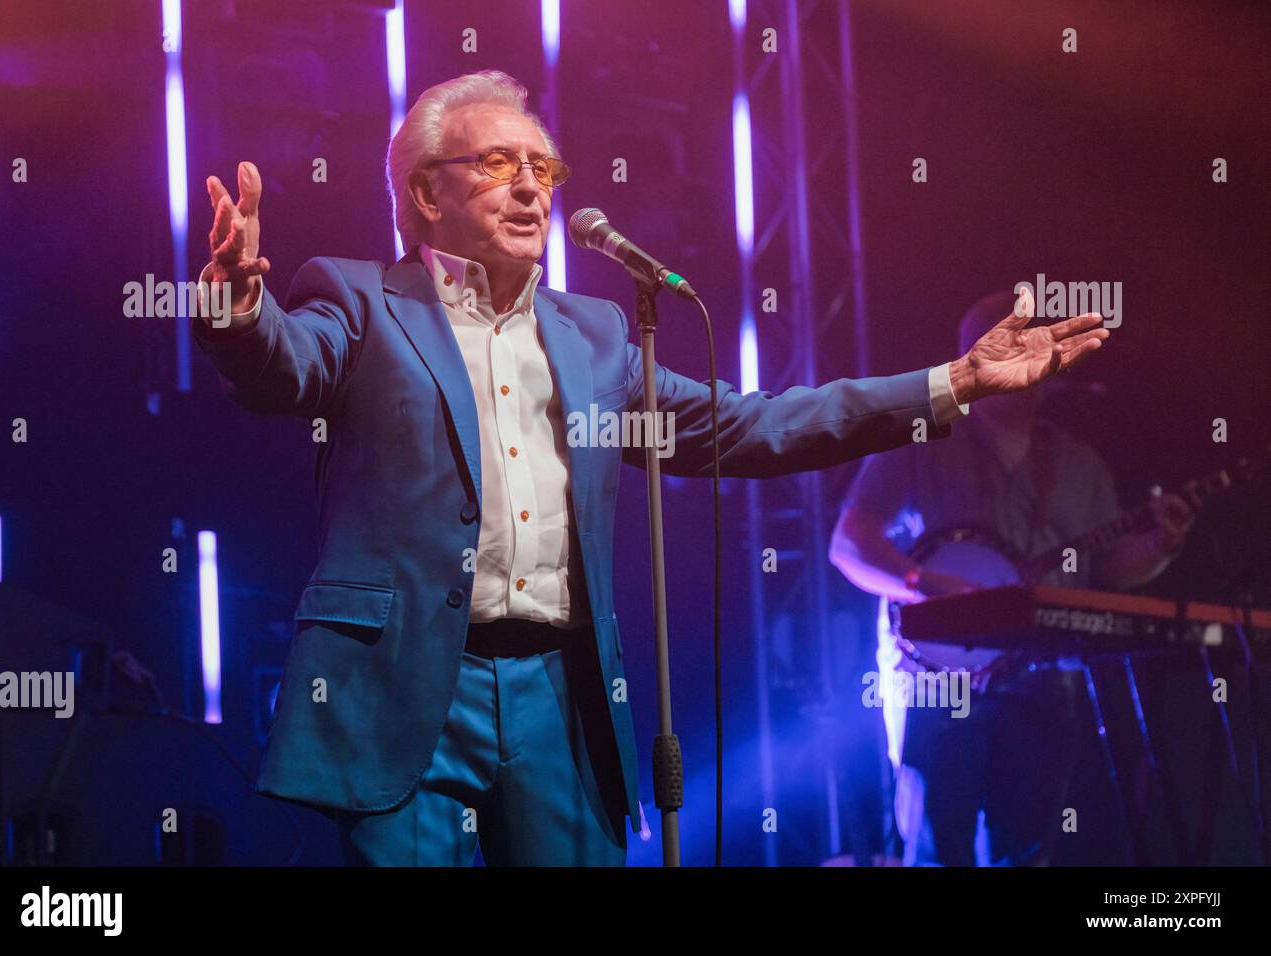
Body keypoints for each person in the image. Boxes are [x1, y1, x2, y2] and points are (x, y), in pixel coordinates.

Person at [194, 71, 1107, 866]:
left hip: (558, 690)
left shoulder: (594, 337)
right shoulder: (357, 298)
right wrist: (239, 310)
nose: (531, 190)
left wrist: (954, 383)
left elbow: (756, 425)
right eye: (498, 165)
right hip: (405, 685)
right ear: (426, 195)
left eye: (543, 170)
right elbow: (281, 364)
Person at [829, 291, 1192, 866]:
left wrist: (1159, 545)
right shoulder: (919, 443)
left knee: (1026, 853)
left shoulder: (1080, 463)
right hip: (937, 683)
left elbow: (1108, 571)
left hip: (1042, 678)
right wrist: (923, 582)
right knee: (933, 851)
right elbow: (849, 545)